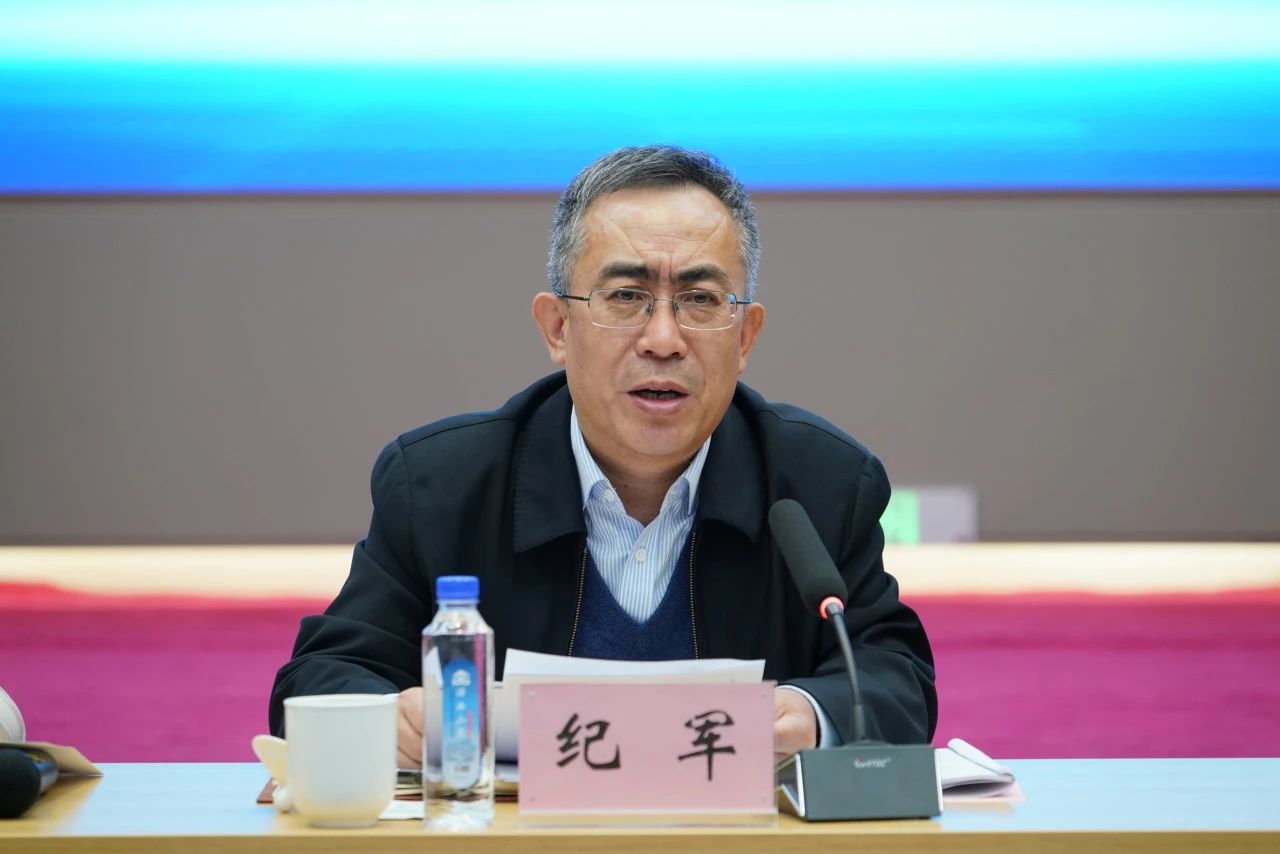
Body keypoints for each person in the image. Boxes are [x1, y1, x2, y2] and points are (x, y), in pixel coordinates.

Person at [270, 145, 936, 765]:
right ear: (557, 328)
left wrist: (814, 715)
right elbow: (322, 677)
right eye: (625, 297)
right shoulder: (442, 485)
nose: (663, 339)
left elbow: (893, 676)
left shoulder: (821, 483)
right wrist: (390, 718)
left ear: (745, 337)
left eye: (701, 300)